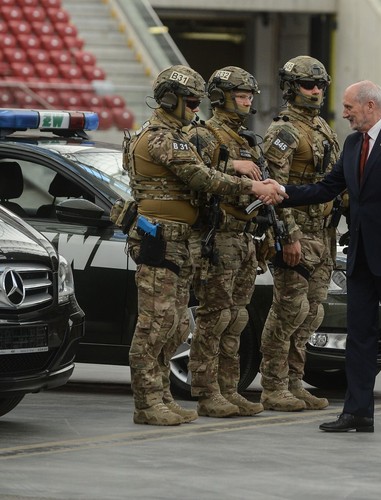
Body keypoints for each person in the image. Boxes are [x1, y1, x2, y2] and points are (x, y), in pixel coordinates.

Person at [124, 65, 286, 426]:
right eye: (191, 101)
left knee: (176, 324)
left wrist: (233, 163)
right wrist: (252, 187)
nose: (197, 108)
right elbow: (199, 175)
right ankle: (147, 402)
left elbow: (204, 162)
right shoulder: (161, 137)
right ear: (169, 99)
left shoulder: (176, 135)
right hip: (161, 240)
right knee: (155, 326)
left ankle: (162, 396)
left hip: (178, 242)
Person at [273, 80, 381, 433]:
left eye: (349, 107)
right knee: (359, 336)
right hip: (360, 255)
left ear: (370, 106)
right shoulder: (350, 144)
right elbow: (327, 188)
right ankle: (358, 411)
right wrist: (282, 192)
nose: (344, 113)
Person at [259, 56, 341, 411]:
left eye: (321, 85)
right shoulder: (284, 131)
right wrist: (287, 235)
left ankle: (294, 381)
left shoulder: (321, 127)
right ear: (292, 88)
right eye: (309, 85)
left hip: (323, 233)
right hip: (297, 233)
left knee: (312, 313)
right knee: (288, 310)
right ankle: (273, 385)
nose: (317, 91)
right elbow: (271, 189)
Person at [184, 67, 266, 418]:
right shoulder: (203, 134)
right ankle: (205, 391)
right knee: (214, 317)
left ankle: (229, 389)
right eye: (240, 94)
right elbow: (197, 172)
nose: (246, 101)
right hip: (217, 237)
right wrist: (235, 164)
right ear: (220, 96)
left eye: (249, 95)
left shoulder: (244, 137)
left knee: (236, 318)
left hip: (244, 236)